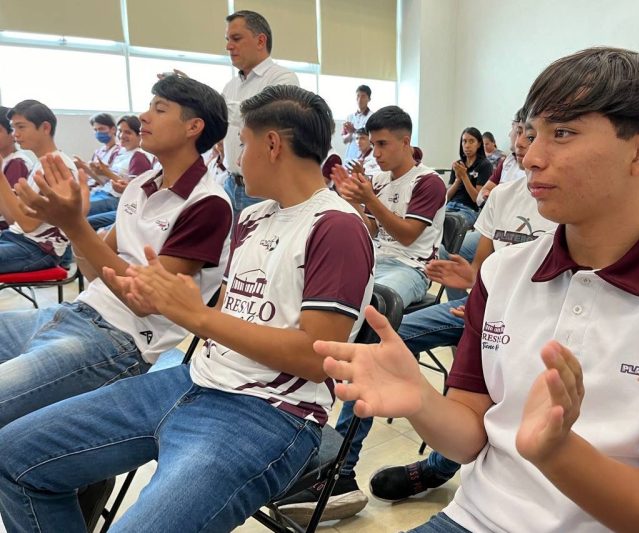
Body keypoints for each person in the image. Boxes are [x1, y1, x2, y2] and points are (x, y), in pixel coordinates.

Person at [316, 47, 639, 533]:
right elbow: (471, 437)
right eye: (533, 134)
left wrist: (559, 454)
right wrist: (421, 400)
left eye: (563, 134)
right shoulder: (502, 273)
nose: (531, 158)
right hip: (471, 520)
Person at [0, 84, 375, 533]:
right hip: (193, 379)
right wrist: (164, 300)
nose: (237, 159)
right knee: (13, 455)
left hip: (269, 412)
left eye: (244, 144)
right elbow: (232, 310)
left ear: (272, 145)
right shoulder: (254, 217)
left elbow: (316, 359)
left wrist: (194, 315)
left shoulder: (336, 227)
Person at [276, 114, 556, 524]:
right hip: (480, 309)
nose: (524, 146)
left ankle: (441, 467)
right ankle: (341, 471)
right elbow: (483, 273)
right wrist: (474, 288)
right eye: (522, 134)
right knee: (381, 348)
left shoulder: (434, 183)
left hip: (480, 300)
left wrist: (368, 200)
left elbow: (408, 238)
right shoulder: (505, 197)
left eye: (538, 136)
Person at [0, 75, 232, 432]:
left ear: (193, 127)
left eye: (159, 109)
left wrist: (74, 225)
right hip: (76, 313)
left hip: (117, 339)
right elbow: (93, 272)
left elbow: (145, 302)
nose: (144, 116)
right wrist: (69, 225)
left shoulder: (209, 204)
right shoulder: (141, 185)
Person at [331, 105, 446, 309]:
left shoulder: (428, 181)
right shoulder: (379, 180)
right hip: (377, 259)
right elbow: (372, 230)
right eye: (374, 144)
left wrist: (370, 200)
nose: (375, 153)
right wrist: (353, 201)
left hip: (412, 268)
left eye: (382, 144)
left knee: (372, 305)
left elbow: (407, 236)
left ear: (405, 142)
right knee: (328, 290)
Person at [221, 9, 299, 222]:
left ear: (260, 40)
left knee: (258, 254)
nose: (228, 46)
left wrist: (212, 102)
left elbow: (262, 119)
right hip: (229, 184)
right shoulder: (230, 86)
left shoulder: (283, 78)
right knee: (229, 254)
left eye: (236, 39)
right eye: (227, 40)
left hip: (264, 189)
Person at [0, 100, 79, 273]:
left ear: (45, 128)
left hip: (38, 249)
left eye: (21, 127)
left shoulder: (58, 166)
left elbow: (28, 224)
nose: (15, 134)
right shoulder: (41, 163)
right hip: (16, 238)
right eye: (13, 128)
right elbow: (15, 220)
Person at [84, 115, 154, 230]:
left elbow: (134, 191)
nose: (122, 135)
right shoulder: (122, 153)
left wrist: (107, 172)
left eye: (128, 132)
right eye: (120, 131)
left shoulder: (139, 156)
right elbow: (106, 181)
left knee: (79, 214)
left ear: (139, 134)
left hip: (116, 199)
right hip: (104, 192)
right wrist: (97, 172)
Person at [445, 127, 493, 227]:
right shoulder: (458, 164)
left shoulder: (485, 165)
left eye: (471, 141)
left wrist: (464, 176)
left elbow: (477, 199)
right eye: (464, 141)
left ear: (479, 144)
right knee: (431, 221)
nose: (467, 145)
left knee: (450, 226)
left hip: (469, 210)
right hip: (450, 206)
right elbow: (447, 196)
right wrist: (458, 180)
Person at [0, 106, 34, 230]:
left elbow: (10, 208)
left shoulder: (17, 163)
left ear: (12, 134)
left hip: (7, 226)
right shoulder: (5, 160)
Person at [342, 85, 374, 161]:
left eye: (363, 96)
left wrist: (354, 131)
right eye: (358, 96)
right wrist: (350, 133)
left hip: (366, 156)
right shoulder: (349, 117)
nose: (360, 99)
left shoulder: (372, 117)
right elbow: (344, 141)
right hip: (350, 154)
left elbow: (372, 139)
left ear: (369, 99)